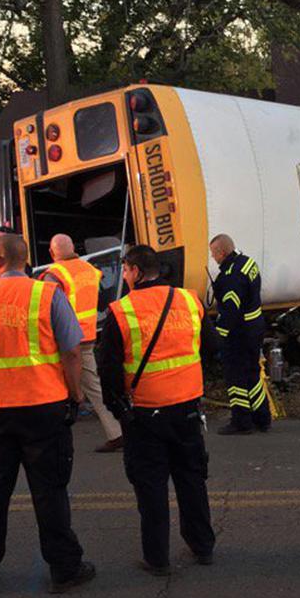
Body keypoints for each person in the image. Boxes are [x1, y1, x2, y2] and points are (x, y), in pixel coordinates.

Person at [0, 233, 94, 595]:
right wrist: (74, 393)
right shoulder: (47, 295)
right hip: (43, 409)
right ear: (25, 260)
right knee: (50, 491)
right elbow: (72, 351)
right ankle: (64, 569)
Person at [96, 245, 218, 574]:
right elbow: (209, 348)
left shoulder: (121, 312)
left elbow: (107, 368)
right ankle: (202, 546)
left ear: (135, 271)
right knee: (192, 478)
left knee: (151, 487)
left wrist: (116, 407)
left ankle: (157, 558)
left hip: (145, 413)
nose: (123, 276)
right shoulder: (189, 301)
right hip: (188, 407)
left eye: (124, 270)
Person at [44, 233, 122, 453]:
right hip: (87, 334)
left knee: (54, 383)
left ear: (52, 253)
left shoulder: (54, 275)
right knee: (93, 385)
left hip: (64, 339)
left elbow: (49, 307)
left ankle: (116, 431)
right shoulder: (89, 269)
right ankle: (117, 431)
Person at [209, 233, 269, 435]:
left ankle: (241, 420)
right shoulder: (247, 262)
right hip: (255, 327)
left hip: (239, 333)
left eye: (214, 254)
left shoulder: (230, 278)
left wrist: (218, 338)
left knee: (235, 378)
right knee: (252, 374)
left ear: (222, 252)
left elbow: (229, 312)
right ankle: (262, 417)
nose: (213, 258)